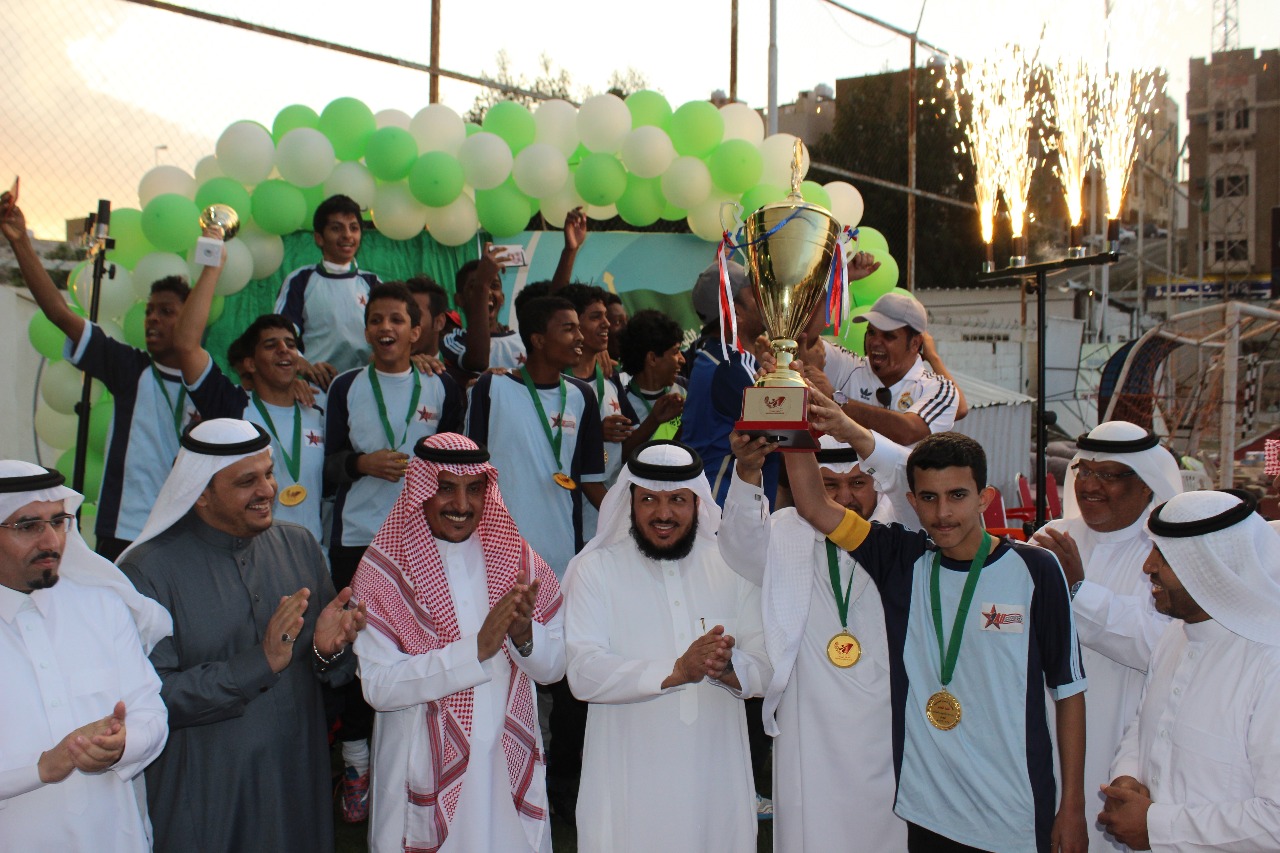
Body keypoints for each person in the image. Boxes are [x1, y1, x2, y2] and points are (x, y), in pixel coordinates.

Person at [787, 392, 1088, 853]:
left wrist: (1071, 807)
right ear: (911, 500)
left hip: (1015, 809)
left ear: (986, 497)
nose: (943, 513)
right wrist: (789, 410)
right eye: (928, 498)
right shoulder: (902, 561)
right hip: (930, 813)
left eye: (957, 496)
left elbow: (1068, 693)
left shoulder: (1037, 570)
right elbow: (812, 506)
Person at [118, 418, 366, 853]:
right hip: (208, 792)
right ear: (200, 495)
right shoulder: (147, 571)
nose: (268, 490)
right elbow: (153, 697)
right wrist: (259, 662)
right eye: (247, 481)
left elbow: (332, 673)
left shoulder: (299, 546)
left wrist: (331, 652)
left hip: (295, 784)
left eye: (269, 473)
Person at [353, 433, 566, 853]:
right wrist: (476, 650)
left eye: (474, 489)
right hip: (419, 762)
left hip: (504, 764)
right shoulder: (383, 573)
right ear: (421, 490)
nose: (461, 505)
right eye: (445, 487)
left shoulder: (519, 561)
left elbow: (555, 668)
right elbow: (378, 687)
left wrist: (525, 638)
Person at [563, 440, 771, 852]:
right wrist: (677, 671)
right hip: (628, 780)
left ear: (697, 502)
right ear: (630, 501)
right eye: (649, 500)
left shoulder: (731, 565)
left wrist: (728, 668)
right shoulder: (596, 569)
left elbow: (766, 668)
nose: (663, 513)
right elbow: (583, 673)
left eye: (677, 499)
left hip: (715, 779)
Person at [324, 281, 464, 816]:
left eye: (397, 321)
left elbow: (458, 462)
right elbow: (329, 464)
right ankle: (357, 763)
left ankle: (424, 756)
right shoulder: (345, 386)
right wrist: (362, 464)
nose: (386, 329)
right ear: (366, 330)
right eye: (376, 320)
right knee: (360, 649)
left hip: (424, 541)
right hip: (359, 538)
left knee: (418, 645)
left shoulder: (441, 386)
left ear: (417, 330)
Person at [2, 191, 202, 561]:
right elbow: (59, 312)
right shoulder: (131, 368)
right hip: (126, 531)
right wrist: (20, 243)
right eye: (149, 312)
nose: (153, 319)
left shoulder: (210, 384)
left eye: (167, 311)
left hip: (185, 531)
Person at [0, 460, 169, 851]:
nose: (51, 541)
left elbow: (151, 712)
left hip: (113, 835)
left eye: (58, 522)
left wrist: (122, 745)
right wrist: (41, 769)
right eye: (28, 526)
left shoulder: (102, 607)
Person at [1100, 489, 1280, 852]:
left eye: (1164, 556)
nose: (1148, 566)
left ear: (1211, 568)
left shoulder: (1270, 663)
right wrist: (1129, 776)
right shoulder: (1175, 636)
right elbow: (1146, 725)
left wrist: (1157, 827)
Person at [1030, 421, 1182, 850]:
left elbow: (1161, 646)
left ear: (1147, 485)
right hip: (1044, 735)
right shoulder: (1050, 541)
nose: (1091, 486)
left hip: (1123, 745)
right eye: (1085, 471)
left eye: (1110, 475)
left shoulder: (1165, 554)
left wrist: (1078, 591)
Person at [173, 235, 327, 542]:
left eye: (291, 345)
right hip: (250, 554)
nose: (285, 351)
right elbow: (186, 346)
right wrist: (213, 268)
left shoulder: (319, 405)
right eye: (271, 345)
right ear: (251, 364)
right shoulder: (232, 407)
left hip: (313, 555)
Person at [466, 295, 607, 577]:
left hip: (562, 553)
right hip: (498, 552)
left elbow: (591, 481)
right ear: (539, 340)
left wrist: (630, 518)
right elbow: (470, 473)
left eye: (579, 328)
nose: (580, 337)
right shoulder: (490, 388)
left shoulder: (583, 396)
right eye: (569, 329)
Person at [682, 260, 779, 505]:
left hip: (716, 500)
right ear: (736, 312)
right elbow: (784, 428)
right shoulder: (730, 367)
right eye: (755, 295)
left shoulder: (716, 358)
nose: (763, 303)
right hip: (724, 505)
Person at [828, 291, 960, 446]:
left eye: (888, 336)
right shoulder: (846, 365)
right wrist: (842, 274)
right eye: (871, 332)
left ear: (915, 343)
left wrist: (835, 401)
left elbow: (907, 432)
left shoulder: (939, 388)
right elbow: (805, 338)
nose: (875, 342)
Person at [559, 282, 638, 535]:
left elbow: (629, 447)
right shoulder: (556, 385)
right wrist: (593, 434)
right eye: (596, 317)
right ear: (573, 324)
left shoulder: (611, 380)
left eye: (605, 316)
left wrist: (657, 419)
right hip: (575, 518)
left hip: (610, 509)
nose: (606, 324)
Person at [275, 194, 380, 382]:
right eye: (336, 228)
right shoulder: (300, 280)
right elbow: (279, 334)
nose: (347, 235)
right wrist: (302, 363)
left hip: (367, 384)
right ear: (319, 238)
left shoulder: (373, 282)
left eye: (354, 228)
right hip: (318, 389)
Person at [618, 308, 687, 446]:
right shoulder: (620, 402)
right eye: (675, 352)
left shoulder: (686, 390)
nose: (682, 359)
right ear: (652, 358)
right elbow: (619, 459)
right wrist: (654, 420)